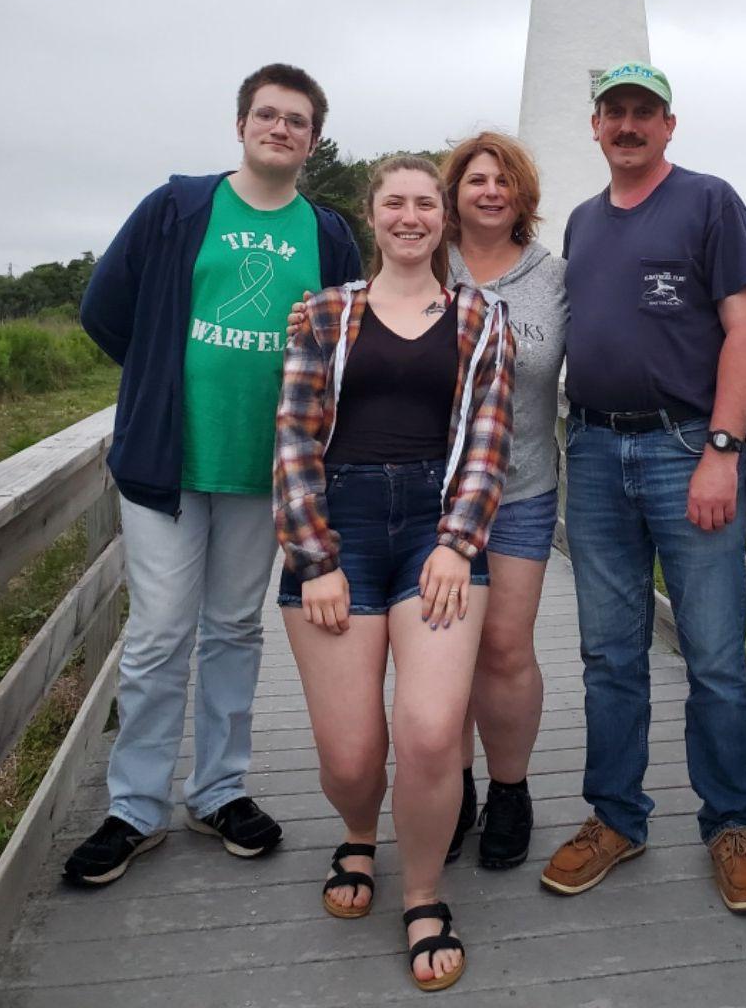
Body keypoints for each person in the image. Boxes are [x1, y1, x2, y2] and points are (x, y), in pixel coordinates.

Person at [62, 64, 362, 887]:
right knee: (160, 632)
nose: (280, 128)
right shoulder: (178, 207)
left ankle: (219, 790)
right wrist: (156, 378)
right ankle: (135, 807)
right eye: (267, 114)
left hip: (264, 469)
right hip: (168, 465)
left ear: (313, 139)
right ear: (241, 125)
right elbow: (103, 308)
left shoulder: (328, 233)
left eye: (297, 120)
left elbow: (351, 337)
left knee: (233, 628)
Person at [274, 154, 515, 992]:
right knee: (350, 757)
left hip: (432, 526)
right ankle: (356, 834)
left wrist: (457, 542)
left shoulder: (481, 317)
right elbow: (294, 437)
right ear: (371, 215)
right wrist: (315, 558)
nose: (410, 217)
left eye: (425, 204)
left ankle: (421, 892)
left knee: (430, 732)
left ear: (444, 218)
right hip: (337, 522)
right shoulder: (325, 313)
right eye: (395, 203)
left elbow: (488, 439)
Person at [540, 60, 746, 915]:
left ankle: (732, 823)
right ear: (596, 126)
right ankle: (616, 817)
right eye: (616, 112)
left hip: (687, 448)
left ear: (669, 124)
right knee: (609, 654)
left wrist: (723, 448)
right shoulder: (581, 221)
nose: (630, 125)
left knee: (713, 655)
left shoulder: (709, 201)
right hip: (595, 449)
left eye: (646, 111)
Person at [442, 133, 567, 869]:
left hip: (521, 490)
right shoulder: (428, 260)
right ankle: (451, 788)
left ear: (523, 196)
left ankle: (510, 790)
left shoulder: (555, 277)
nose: (490, 192)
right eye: (476, 180)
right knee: (443, 646)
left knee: (504, 647)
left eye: (503, 181)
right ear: (454, 193)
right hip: (433, 494)